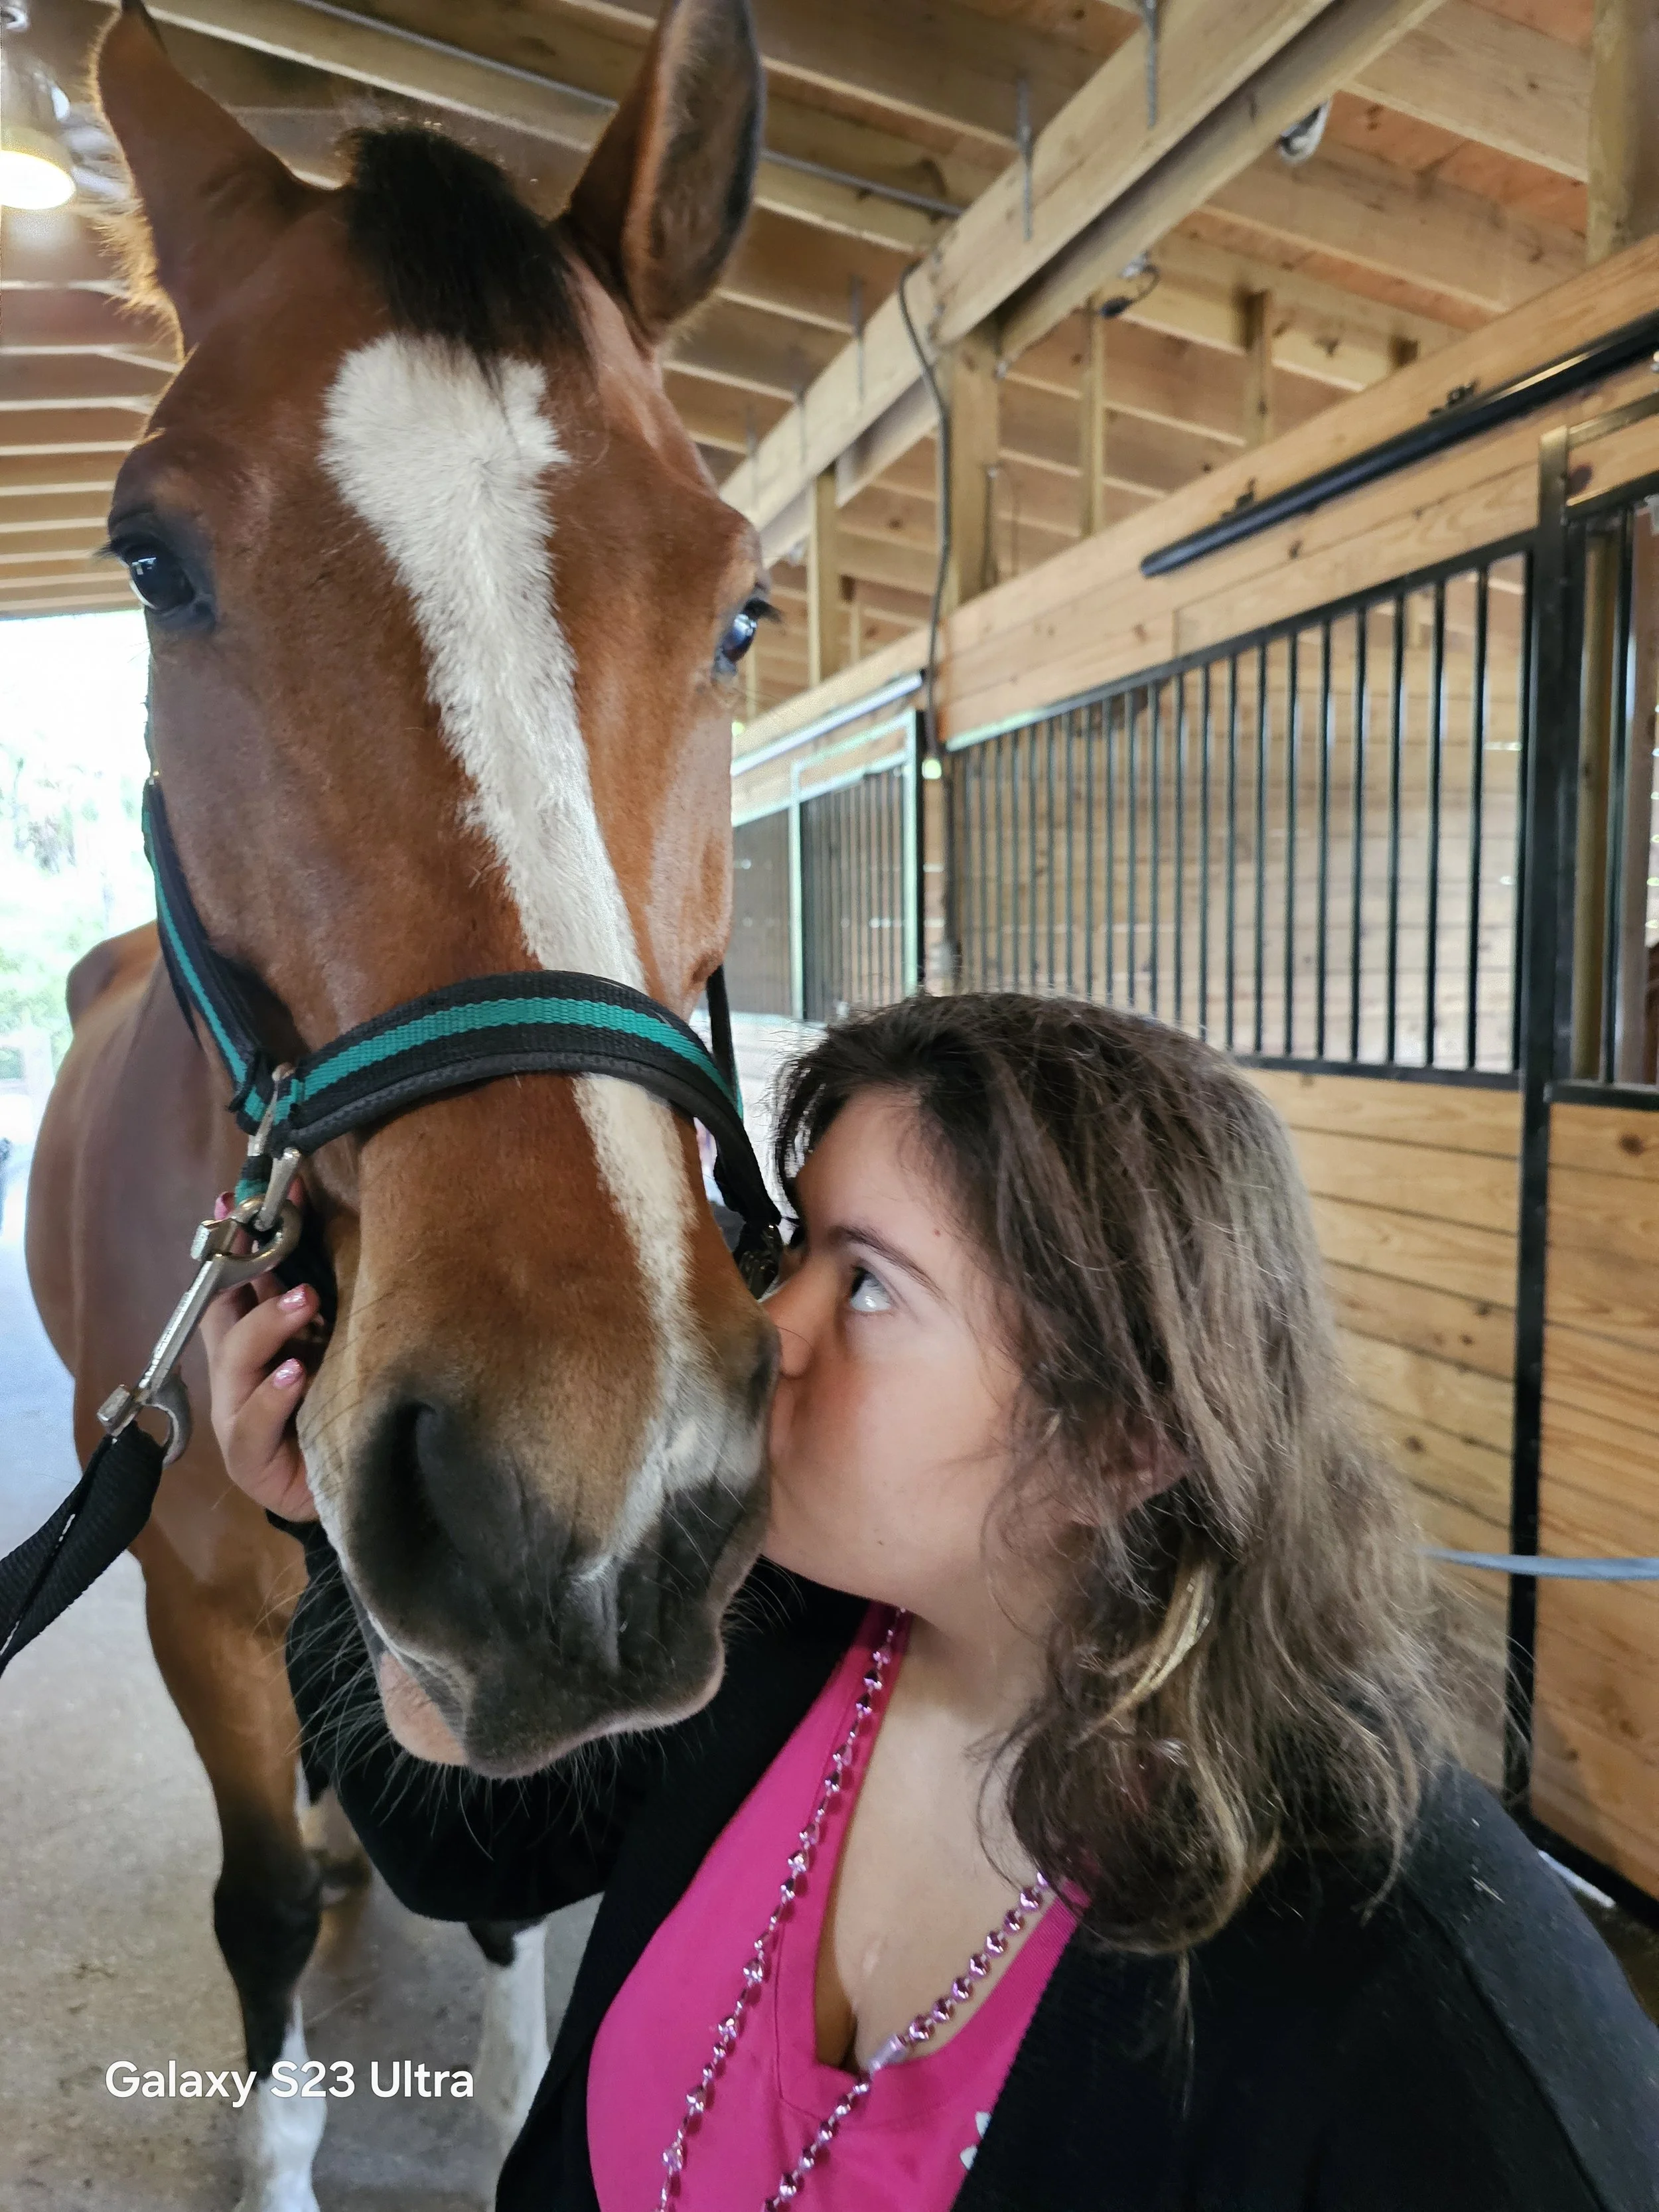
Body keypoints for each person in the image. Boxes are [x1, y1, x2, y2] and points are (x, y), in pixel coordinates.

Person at [202, 993, 1659, 2211]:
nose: (764, 1331)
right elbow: (478, 1857)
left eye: (872, 1286)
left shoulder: (1415, 2006)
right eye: (798, 1257)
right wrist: (331, 1524)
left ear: (1120, 1440)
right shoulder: (781, 1621)